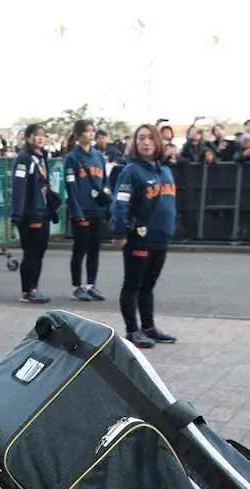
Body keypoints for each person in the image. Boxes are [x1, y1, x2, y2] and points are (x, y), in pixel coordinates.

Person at [109, 123, 178, 349]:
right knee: (133, 285)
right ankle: (132, 330)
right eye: (140, 138)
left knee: (148, 285)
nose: (145, 142)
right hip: (139, 238)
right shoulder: (131, 171)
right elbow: (120, 203)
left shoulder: (165, 171)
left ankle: (149, 327)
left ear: (158, 142)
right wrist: (119, 232)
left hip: (161, 238)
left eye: (150, 138)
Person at [63, 118, 108, 301]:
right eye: (86, 131)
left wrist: (106, 197)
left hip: (96, 208)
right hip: (81, 210)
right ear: (79, 134)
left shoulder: (99, 156)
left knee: (94, 249)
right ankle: (77, 286)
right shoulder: (72, 158)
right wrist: (77, 211)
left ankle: (91, 284)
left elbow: (105, 182)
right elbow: (71, 187)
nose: (90, 134)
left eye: (92, 131)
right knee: (80, 249)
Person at [10, 123, 55, 303]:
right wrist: (19, 214)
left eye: (43, 135)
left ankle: (34, 288)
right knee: (31, 253)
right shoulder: (24, 158)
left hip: (42, 212)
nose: (40, 138)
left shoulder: (42, 158)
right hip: (31, 214)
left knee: (39, 252)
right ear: (28, 137)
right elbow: (19, 188)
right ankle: (27, 291)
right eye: (36, 135)